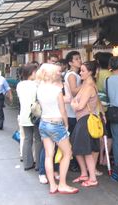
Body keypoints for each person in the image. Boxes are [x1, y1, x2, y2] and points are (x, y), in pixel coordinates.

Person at [36, 63, 78, 194]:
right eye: (57, 72)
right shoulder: (56, 90)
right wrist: (66, 125)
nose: (59, 74)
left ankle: (52, 185)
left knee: (49, 155)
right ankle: (63, 184)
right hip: (56, 124)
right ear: (52, 74)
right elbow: (63, 111)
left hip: (43, 123)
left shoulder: (40, 88)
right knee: (68, 153)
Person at [71, 61, 102, 188]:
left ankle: (92, 178)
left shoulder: (89, 87)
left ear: (90, 72)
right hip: (83, 120)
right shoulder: (85, 84)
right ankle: (84, 173)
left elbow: (80, 106)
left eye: (83, 70)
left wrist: (73, 104)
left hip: (86, 120)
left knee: (87, 150)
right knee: (78, 148)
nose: (80, 72)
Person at [16, 63, 42, 171]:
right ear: (31, 73)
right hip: (35, 115)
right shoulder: (36, 85)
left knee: (27, 139)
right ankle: (38, 164)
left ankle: (27, 164)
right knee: (38, 139)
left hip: (24, 115)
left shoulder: (20, 85)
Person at [64, 51, 82, 172]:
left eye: (79, 58)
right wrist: (87, 83)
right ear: (70, 62)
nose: (79, 60)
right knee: (74, 138)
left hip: (72, 111)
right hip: (71, 112)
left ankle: (73, 162)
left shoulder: (75, 74)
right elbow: (74, 91)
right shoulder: (72, 75)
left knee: (73, 137)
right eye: (76, 59)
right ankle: (73, 163)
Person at [94, 52, 113, 166]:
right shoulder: (110, 75)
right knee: (108, 134)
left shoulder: (96, 74)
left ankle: (99, 157)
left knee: (99, 133)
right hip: (108, 107)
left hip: (96, 106)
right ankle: (105, 159)